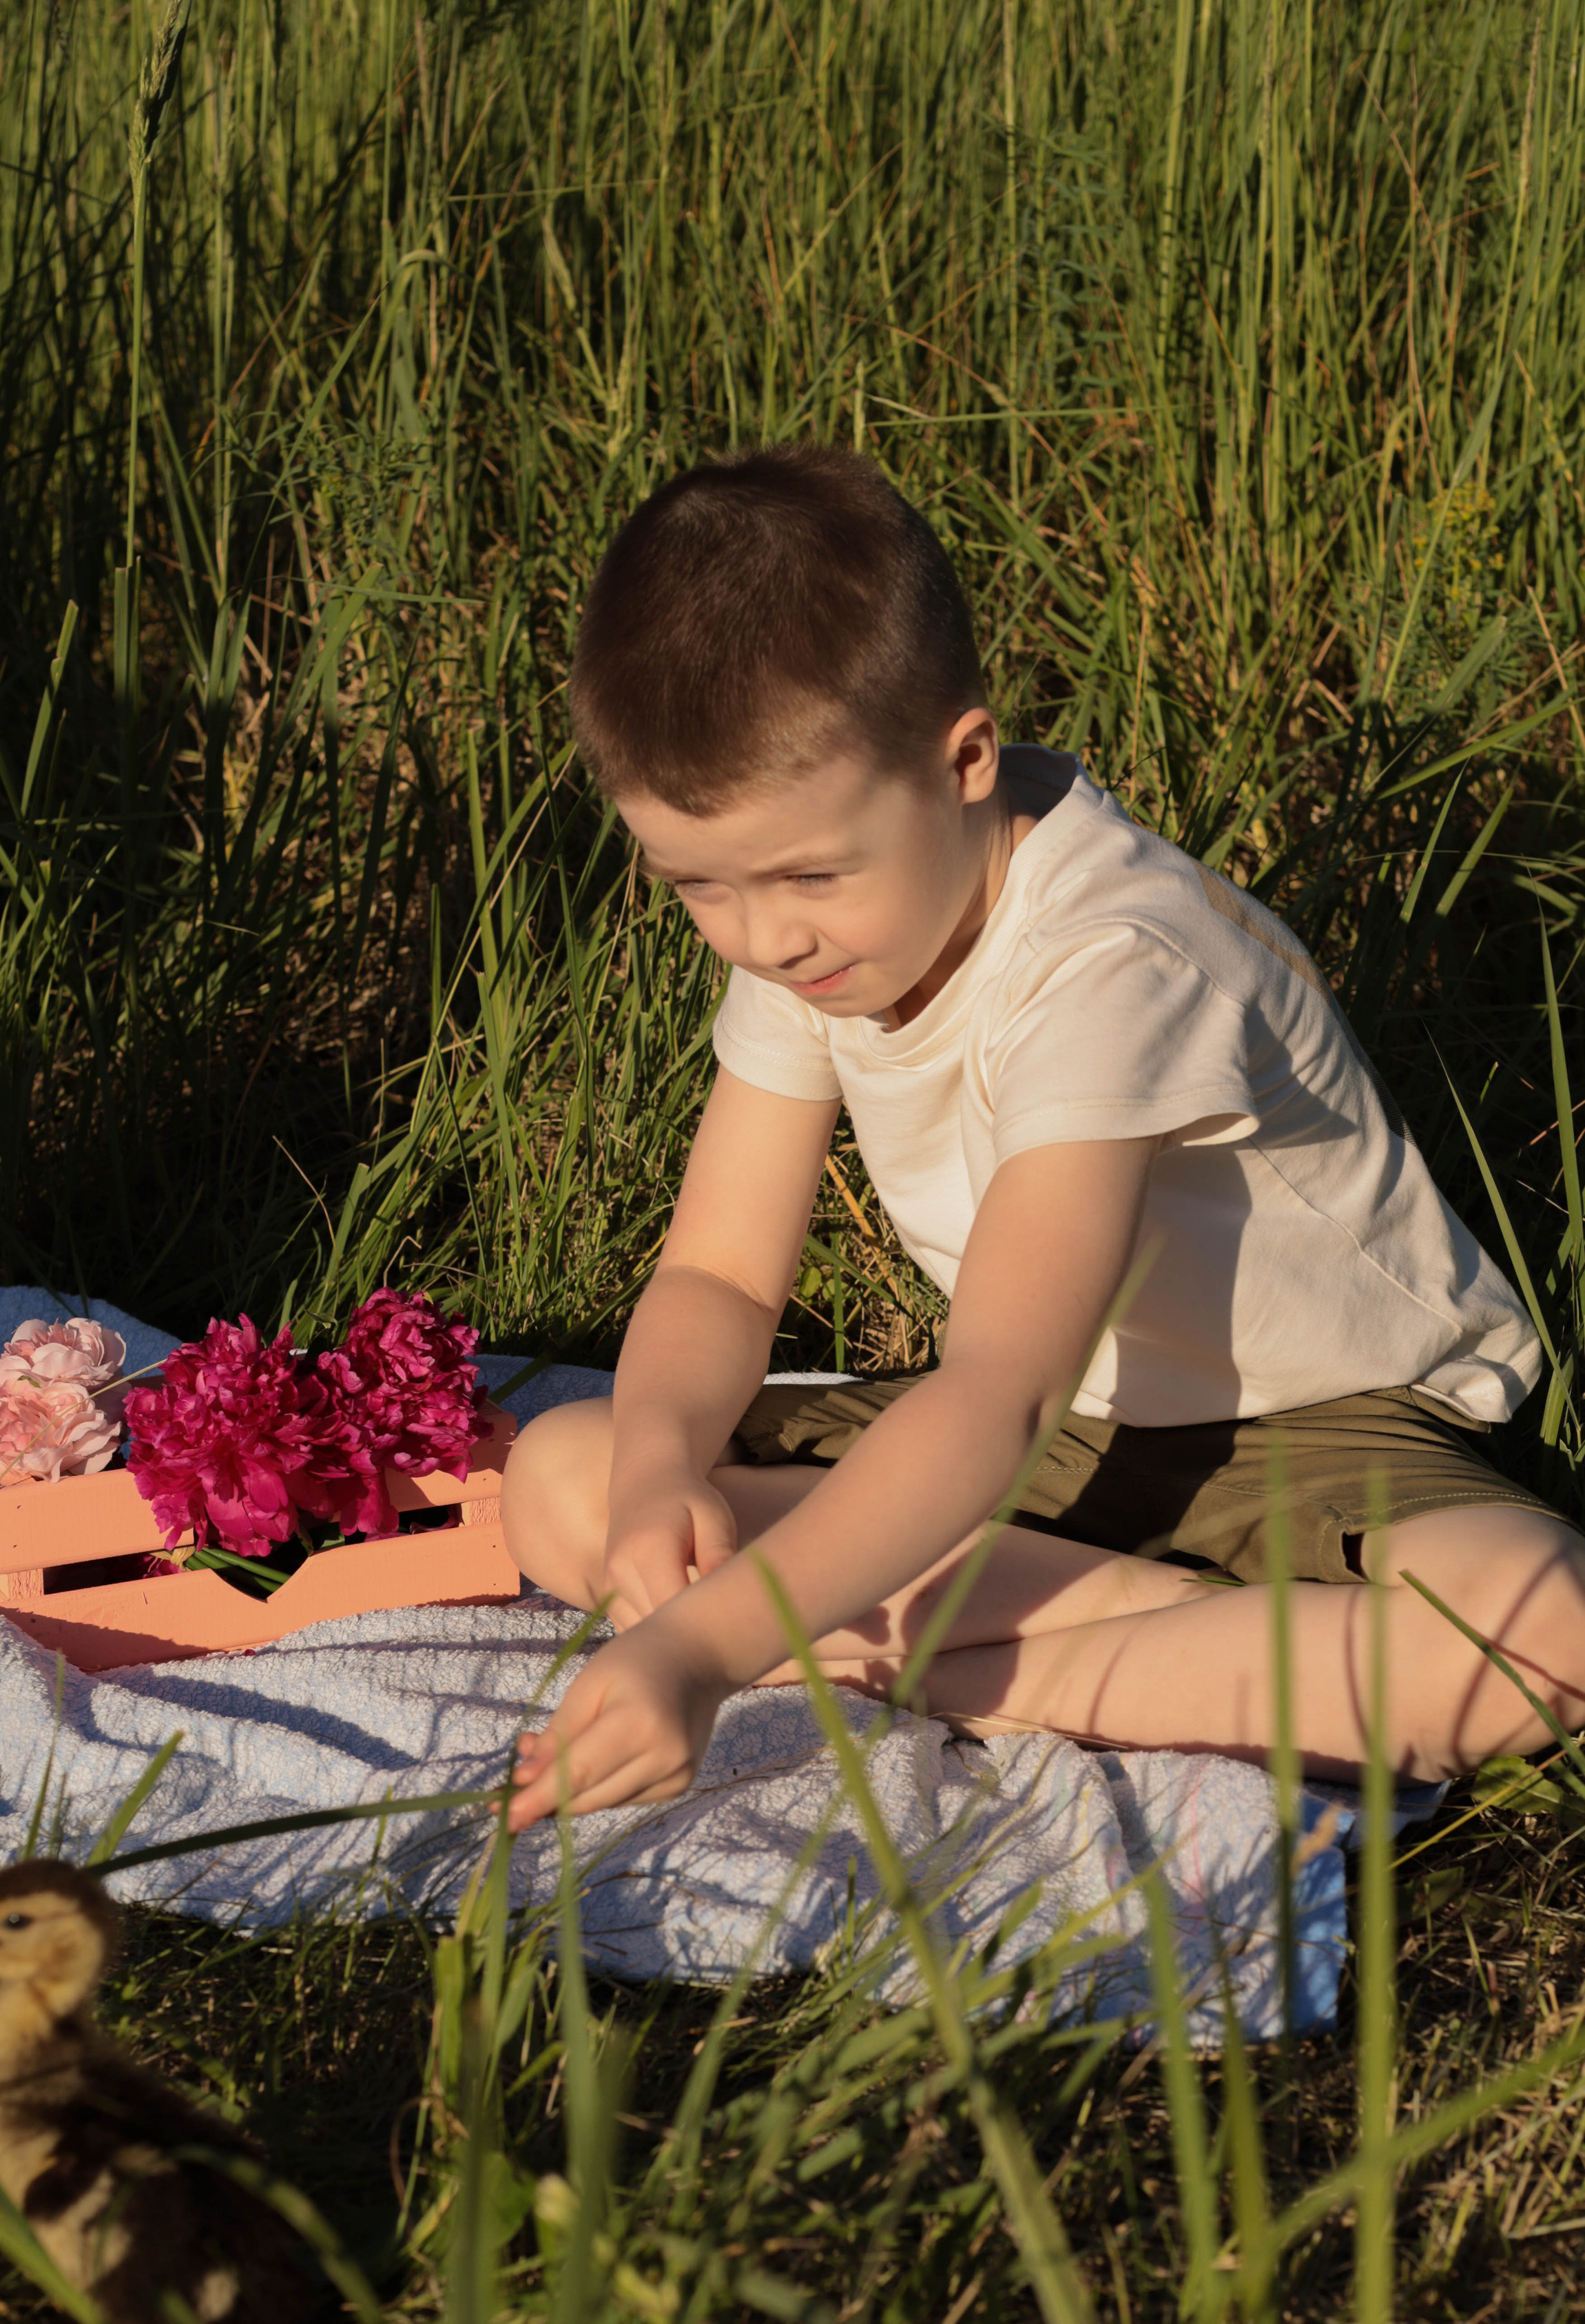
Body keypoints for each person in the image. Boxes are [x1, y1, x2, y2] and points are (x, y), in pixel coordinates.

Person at [501, 445, 1584, 1829]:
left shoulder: (1114, 960)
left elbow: (992, 1391)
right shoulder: (814, 944)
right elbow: (717, 1275)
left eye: (808, 875)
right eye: (696, 885)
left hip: (1314, 1421)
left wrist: (704, 1645)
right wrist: (658, 1471)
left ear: (963, 759)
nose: (762, 935)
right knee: (567, 1474)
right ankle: (1187, 1642)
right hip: (1055, 1439)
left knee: (1535, 1637)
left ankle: (956, 1664)